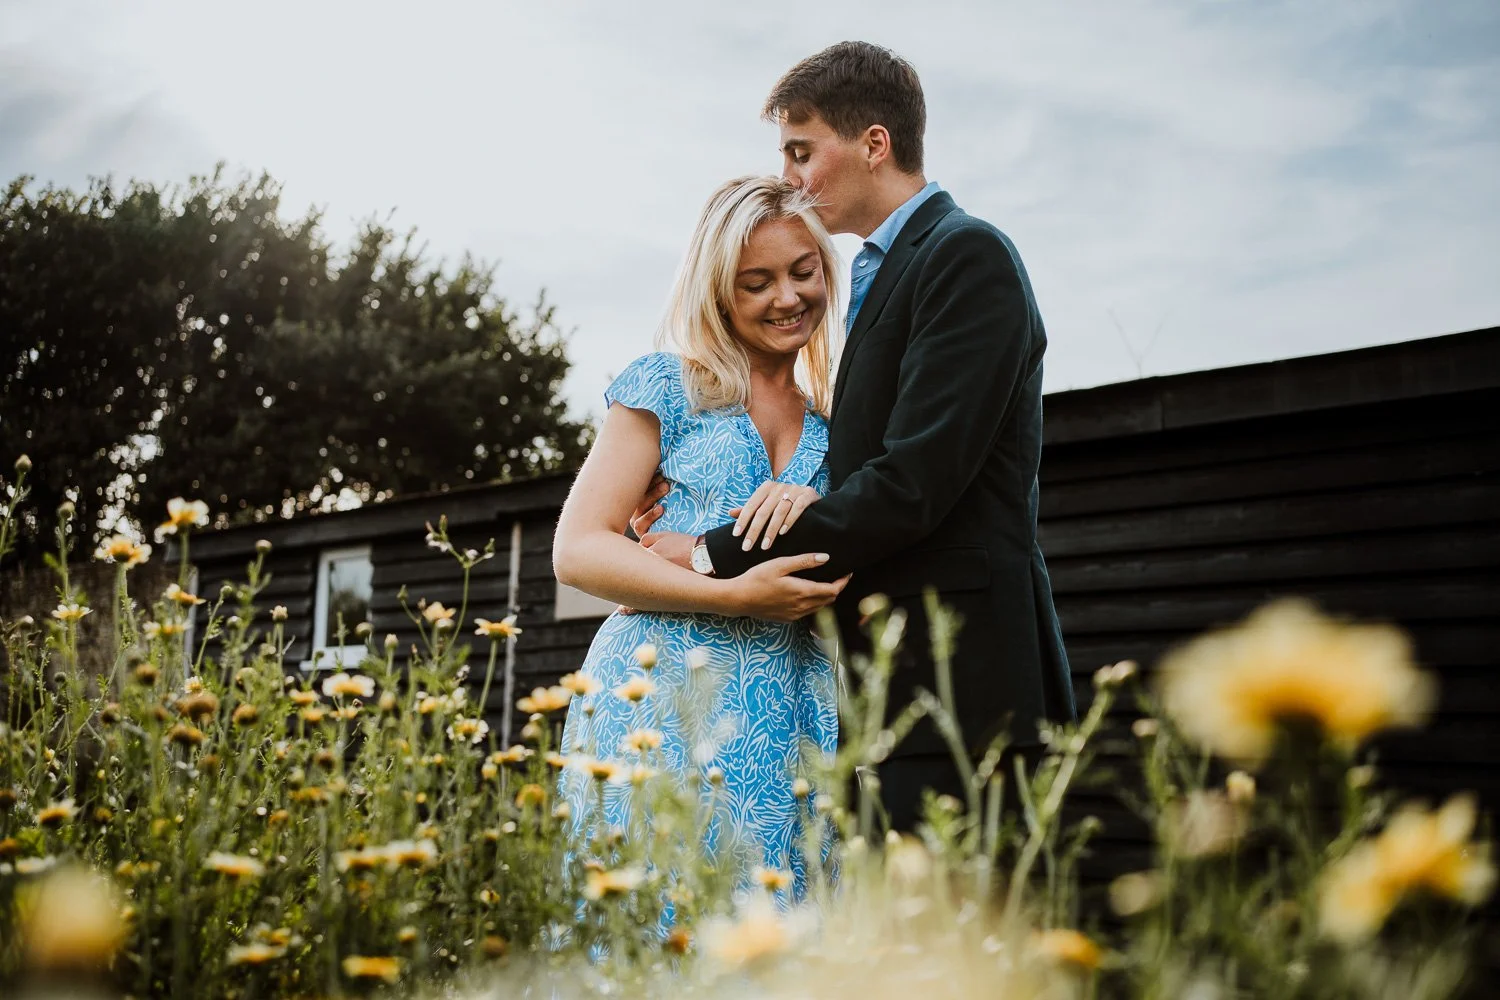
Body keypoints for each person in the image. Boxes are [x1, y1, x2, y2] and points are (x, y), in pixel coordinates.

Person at [628, 41, 1078, 832]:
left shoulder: (964, 255)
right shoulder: (887, 272)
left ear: (875, 143)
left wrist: (704, 552)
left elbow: (912, 483)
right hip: (892, 688)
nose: (791, 178)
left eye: (802, 152)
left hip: (968, 684)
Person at [552, 175, 848, 892]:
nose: (787, 298)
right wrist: (731, 595)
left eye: (803, 273)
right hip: (658, 701)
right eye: (757, 282)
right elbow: (580, 548)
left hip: (788, 705)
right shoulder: (667, 386)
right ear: (717, 292)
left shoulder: (842, 424)